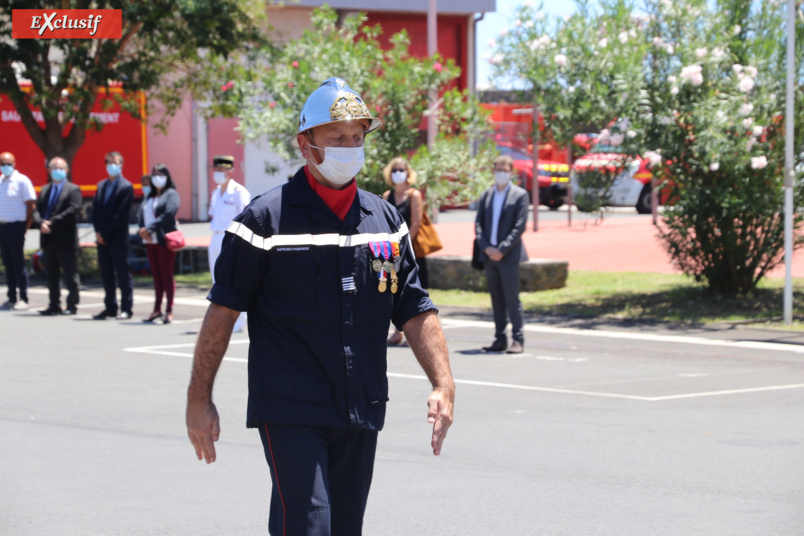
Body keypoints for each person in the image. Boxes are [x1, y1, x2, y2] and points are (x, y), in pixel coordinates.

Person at [185, 77, 455, 536]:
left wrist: (443, 382)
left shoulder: (385, 221)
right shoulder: (263, 221)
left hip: (361, 405)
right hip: (291, 409)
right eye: (337, 138)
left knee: (345, 529)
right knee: (309, 528)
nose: (351, 147)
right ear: (305, 144)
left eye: (357, 137)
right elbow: (223, 312)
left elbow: (413, 306)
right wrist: (199, 398)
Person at [475, 154, 529, 354]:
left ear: (511, 172)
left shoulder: (520, 195)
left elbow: (519, 226)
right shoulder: (486, 195)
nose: (501, 173)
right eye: (498, 169)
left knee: (512, 298)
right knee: (496, 299)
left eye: (505, 170)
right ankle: (500, 338)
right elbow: (479, 225)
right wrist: (487, 247)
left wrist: (502, 249)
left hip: (509, 256)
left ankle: (518, 339)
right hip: (489, 255)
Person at [382, 156, 425, 347]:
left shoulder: (414, 195)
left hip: (411, 250)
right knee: (392, 289)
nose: (398, 173)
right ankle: (397, 332)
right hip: (391, 251)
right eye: (395, 170)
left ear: (408, 173)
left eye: (402, 169)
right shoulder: (386, 196)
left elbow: (416, 223)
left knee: (413, 292)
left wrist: (403, 245)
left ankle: (413, 334)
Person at [32, 157, 82, 315]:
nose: (57, 171)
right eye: (54, 168)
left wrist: (51, 223)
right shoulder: (45, 189)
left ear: (67, 170)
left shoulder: (73, 189)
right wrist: (40, 222)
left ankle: (72, 305)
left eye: (61, 168)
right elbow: (36, 210)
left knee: (70, 273)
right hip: (48, 239)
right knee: (51, 274)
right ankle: (54, 304)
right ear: (49, 170)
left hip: (65, 239)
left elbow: (73, 210)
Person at [207, 155, 250, 333]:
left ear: (230, 172)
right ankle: (221, 319)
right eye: (216, 170)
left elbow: (245, 218)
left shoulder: (239, 192)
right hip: (215, 236)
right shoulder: (216, 193)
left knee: (233, 280)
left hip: (231, 239)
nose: (218, 173)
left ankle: (239, 321)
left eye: (222, 170)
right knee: (216, 280)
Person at [91, 151, 135, 320]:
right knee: (106, 274)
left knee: (122, 274)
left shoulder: (126, 187)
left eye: (116, 163)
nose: (112, 166)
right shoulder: (101, 185)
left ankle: (126, 308)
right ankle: (110, 307)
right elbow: (95, 211)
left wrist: (105, 232)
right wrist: (98, 232)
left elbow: (121, 216)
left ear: (122, 164)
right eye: (109, 163)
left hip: (117, 237)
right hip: (102, 238)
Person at [137, 165, 180, 325]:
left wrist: (150, 229)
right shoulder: (150, 196)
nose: (157, 177)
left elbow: (168, 214)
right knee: (156, 276)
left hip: (163, 240)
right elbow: (141, 213)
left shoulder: (171, 194)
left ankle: (169, 310)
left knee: (166, 276)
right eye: (154, 174)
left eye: (161, 174)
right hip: (150, 241)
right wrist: (142, 230)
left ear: (167, 176)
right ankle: (157, 309)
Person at [0, 152, 36, 311]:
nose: (5, 167)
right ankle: (11, 297)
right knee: (7, 263)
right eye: (2, 164)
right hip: (2, 226)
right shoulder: (0, 181)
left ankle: (24, 297)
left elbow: (30, 205)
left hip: (16, 226)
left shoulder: (22, 180)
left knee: (18, 263)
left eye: (8, 163)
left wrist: (25, 226)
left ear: (14, 164)